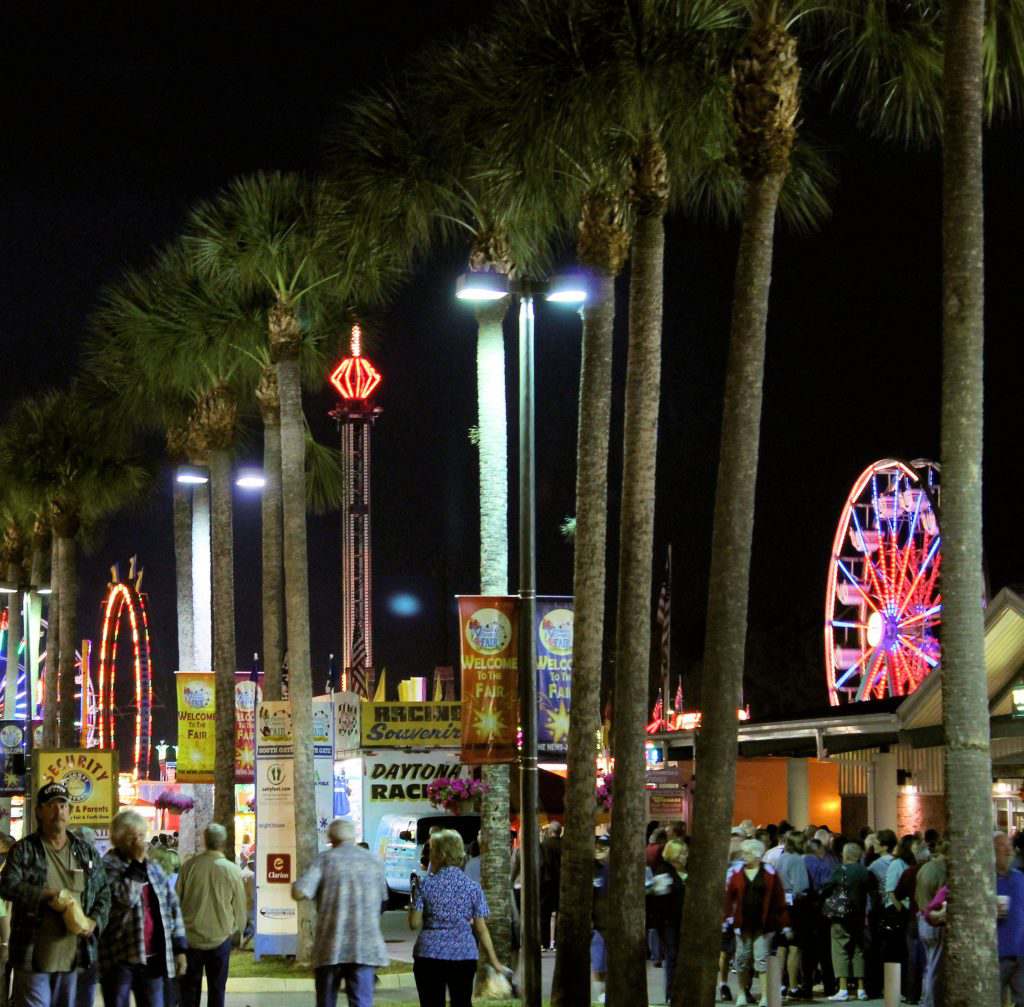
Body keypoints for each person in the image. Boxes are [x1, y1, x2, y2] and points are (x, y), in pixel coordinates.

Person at [0, 784, 110, 1007]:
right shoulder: (24, 850)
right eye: (51, 806)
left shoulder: (85, 852)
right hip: (33, 957)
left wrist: (94, 921)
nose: (58, 812)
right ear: (39, 811)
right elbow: (7, 886)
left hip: (76, 957)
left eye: (63, 806)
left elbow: (104, 893)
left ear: (69, 812)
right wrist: (44, 895)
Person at [292, 819, 389, 1007]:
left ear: (330, 838)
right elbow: (383, 897)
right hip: (365, 945)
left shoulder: (325, 860)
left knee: (326, 1001)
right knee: (361, 1002)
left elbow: (299, 892)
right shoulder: (374, 861)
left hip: (331, 945)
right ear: (353, 837)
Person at [407, 829, 506, 1007]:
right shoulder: (472, 887)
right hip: (463, 954)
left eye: (431, 850)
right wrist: (495, 962)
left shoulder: (423, 885)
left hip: (429, 954)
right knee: (461, 1002)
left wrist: (412, 901)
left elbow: (414, 924)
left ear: (438, 854)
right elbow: (481, 929)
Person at [100, 810, 186, 1007]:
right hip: (119, 956)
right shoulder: (107, 866)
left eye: (141, 835)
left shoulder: (153, 867)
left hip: (153, 955)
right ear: (119, 839)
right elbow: (126, 898)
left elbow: (173, 906)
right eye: (133, 836)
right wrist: (137, 865)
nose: (139, 842)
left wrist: (180, 947)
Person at [174, 825, 245, 1007]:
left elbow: (176, 901)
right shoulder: (233, 871)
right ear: (223, 842)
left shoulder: (189, 867)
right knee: (217, 991)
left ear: (205, 841)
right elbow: (240, 908)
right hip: (220, 938)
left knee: (189, 993)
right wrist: (240, 931)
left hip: (191, 939)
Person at [723, 839, 790, 1007]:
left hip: (764, 924)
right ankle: (741, 993)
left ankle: (766, 996)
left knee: (761, 959)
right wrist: (726, 918)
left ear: (757, 855)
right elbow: (728, 898)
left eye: (747, 853)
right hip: (742, 923)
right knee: (742, 959)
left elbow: (778, 898)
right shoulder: (736, 873)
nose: (744, 856)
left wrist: (784, 923)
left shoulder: (770, 873)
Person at [823, 842, 872, 1002]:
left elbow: (827, 888)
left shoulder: (840, 870)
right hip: (858, 916)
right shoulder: (865, 872)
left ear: (845, 855)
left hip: (841, 916)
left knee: (840, 950)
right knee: (858, 951)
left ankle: (843, 989)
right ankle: (861, 989)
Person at [652, 839, 686, 1005]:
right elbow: (658, 901)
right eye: (681, 853)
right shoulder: (663, 871)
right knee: (672, 957)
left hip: (684, 922)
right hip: (669, 922)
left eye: (685, 852)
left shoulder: (688, 871)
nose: (685, 856)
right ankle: (671, 993)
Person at [776, 831, 809, 998]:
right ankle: (794, 986)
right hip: (795, 906)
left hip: (781, 904)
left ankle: (781, 984)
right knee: (795, 948)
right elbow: (801, 887)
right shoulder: (797, 859)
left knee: (781, 947)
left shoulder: (781, 858)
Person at [996, 832, 1024, 1006]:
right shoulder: (983, 881)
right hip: (996, 956)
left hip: (1021, 953)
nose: (1008, 851)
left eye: (1009, 846)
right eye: (1002, 846)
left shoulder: (1019, 878)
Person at [540, 822, 562, 952]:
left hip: (546, 882)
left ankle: (545, 941)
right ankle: (557, 941)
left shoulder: (544, 845)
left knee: (544, 913)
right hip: (560, 881)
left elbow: (541, 864)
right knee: (560, 912)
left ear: (550, 831)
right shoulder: (564, 845)